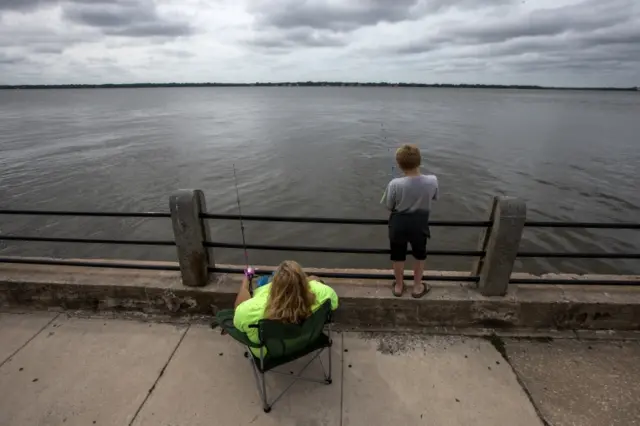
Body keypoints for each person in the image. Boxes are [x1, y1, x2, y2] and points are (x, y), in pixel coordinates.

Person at [224, 260, 338, 356]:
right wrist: (312, 281)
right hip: (308, 339)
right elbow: (333, 304)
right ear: (304, 283)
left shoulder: (249, 311)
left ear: (274, 286)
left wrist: (246, 280)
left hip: (269, 353)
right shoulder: (325, 293)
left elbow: (238, 315)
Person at [381, 144, 438, 298]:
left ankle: (399, 286)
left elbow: (389, 206)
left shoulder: (395, 184)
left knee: (397, 256)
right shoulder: (432, 180)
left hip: (398, 224)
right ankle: (417, 287)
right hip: (420, 224)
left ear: (399, 164)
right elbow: (433, 197)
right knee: (420, 255)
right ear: (419, 161)